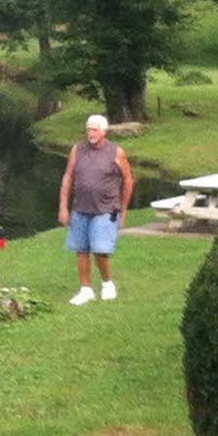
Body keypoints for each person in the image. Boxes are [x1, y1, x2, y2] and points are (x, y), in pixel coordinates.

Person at [58, 114, 133, 305]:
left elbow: (128, 180)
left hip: (106, 208)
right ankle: (86, 289)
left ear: (104, 131)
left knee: (100, 250)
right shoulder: (78, 149)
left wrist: (123, 209)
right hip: (81, 208)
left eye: (94, 129)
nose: (90, 133)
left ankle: (108, 284)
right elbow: (68, 177)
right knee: (81, 250)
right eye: (88, 129)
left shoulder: (116, 152)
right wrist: (63, 207)